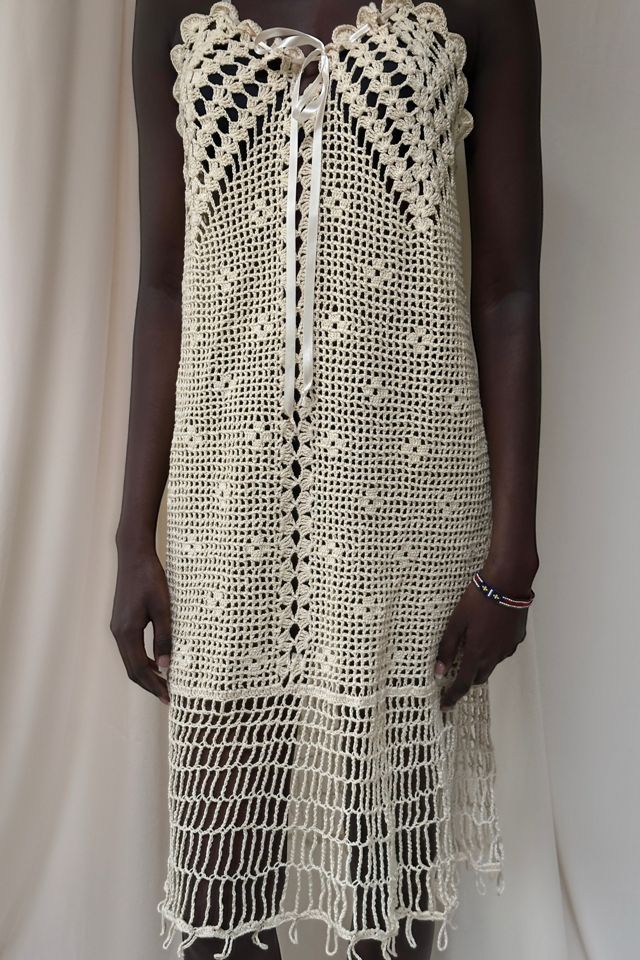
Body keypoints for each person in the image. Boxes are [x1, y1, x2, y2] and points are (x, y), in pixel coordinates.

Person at [111, 1, 542, 958]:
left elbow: (510, 293)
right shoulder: (170, 9)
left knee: (390, 902)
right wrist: (132, 537)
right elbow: (163, 287)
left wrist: (513, 560)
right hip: (227, 508)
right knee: (220, 901)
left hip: (410, 512)